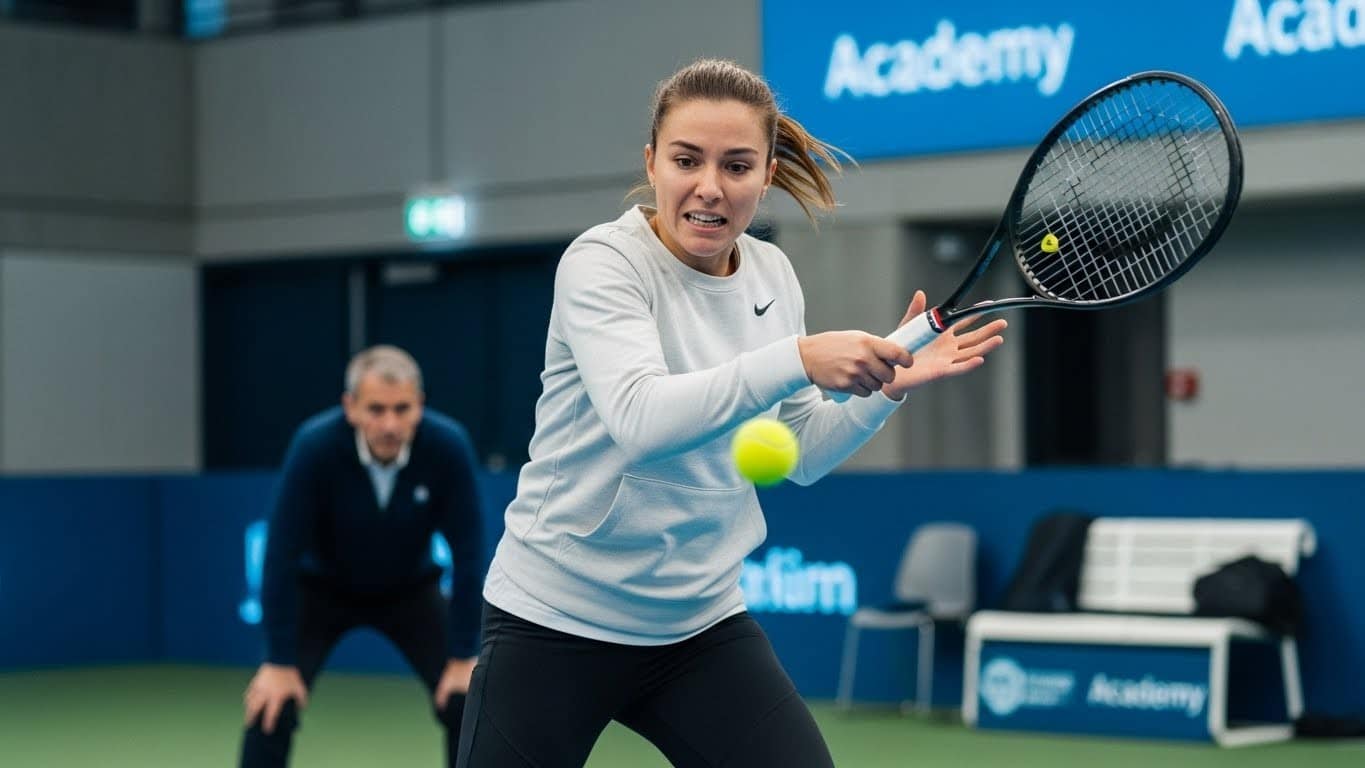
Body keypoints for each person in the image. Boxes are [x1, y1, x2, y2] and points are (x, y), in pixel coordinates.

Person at [455, 59, 1007, 768]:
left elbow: (802, 450)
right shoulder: (601, 264)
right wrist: (799, 359)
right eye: (687, 160)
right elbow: (641, 419)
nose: (709, 187)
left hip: (697, 628)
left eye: (736, 165)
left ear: (767, 174)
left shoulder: (773, 276)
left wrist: (882, 395)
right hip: (554, 619)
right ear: (652, 163)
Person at [240, 345, 485, 767]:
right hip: (321, 591)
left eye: (402, 409)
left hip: (411, 590)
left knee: (471, 701)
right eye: (375, 409)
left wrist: (464, 656)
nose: (390, 423)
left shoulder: (448, 447)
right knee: (271, 704)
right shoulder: (314, 447)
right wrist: (278, 662)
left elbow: (471, 553)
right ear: (350, 408)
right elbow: (280, 555)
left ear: (419, 407)